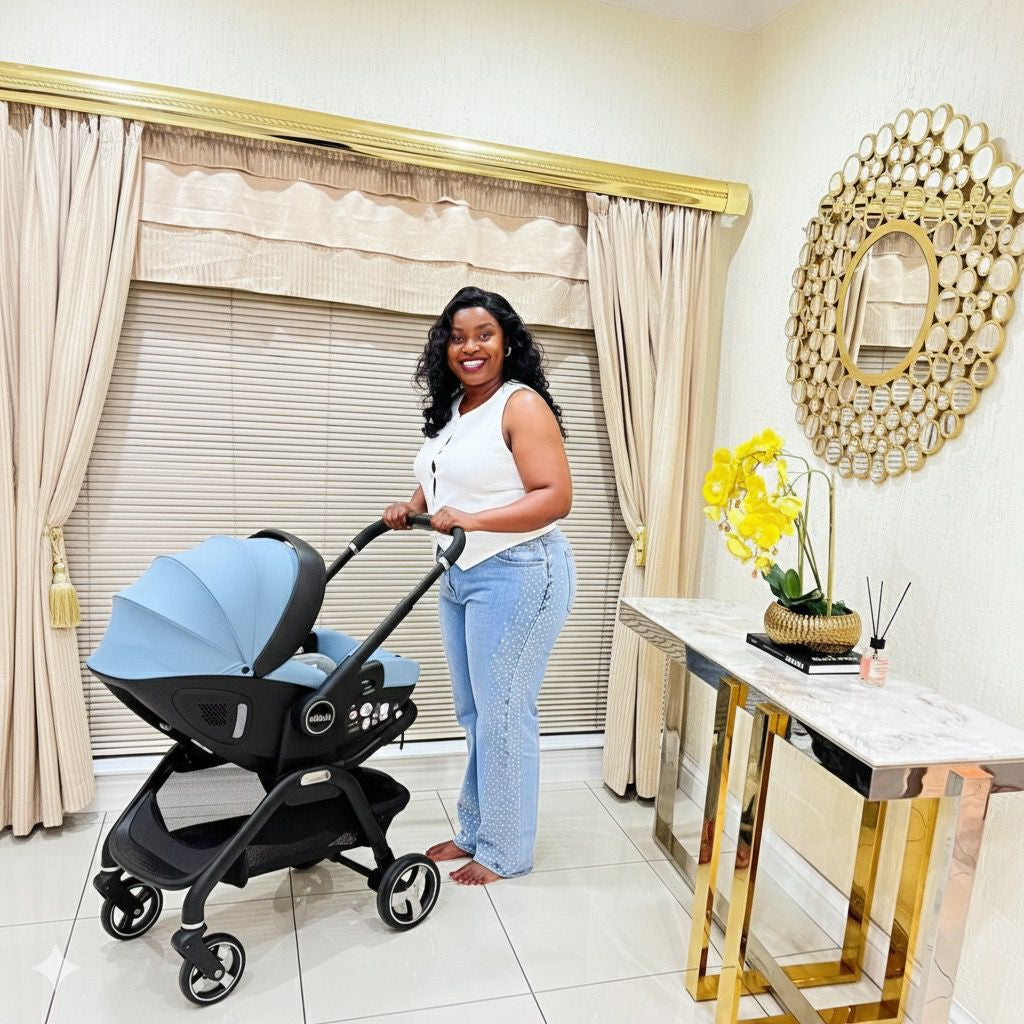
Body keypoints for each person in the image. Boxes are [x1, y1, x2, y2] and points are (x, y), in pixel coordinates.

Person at [383, 286, 575, 885]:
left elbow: (555, 498)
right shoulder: (456, 412)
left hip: (520, 572)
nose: (470, 347)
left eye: (484, 335)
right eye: (459, 337)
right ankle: (474, 827)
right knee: (476, 712)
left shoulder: (521, 405)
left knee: (504, 712)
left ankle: (505, 849)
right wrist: (411, 505)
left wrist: (473, 521)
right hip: (461, 572)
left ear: (507, 342)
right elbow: (447, 479)